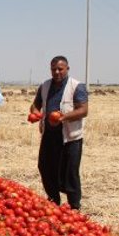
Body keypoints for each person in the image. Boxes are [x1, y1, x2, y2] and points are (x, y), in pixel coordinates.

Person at [30, 55, 88, 210]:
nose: (56, 72)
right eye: (53, 69)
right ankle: (53, 202)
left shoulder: (77, 86)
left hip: (70, 137)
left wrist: (63, 117)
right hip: (50, 135)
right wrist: (36, 114)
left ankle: (74, 207)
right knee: (45, 167)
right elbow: (35, 105)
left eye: (60, 69)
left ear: (67, 69)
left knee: (70, 172)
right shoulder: (45, 86)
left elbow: (83, 110)